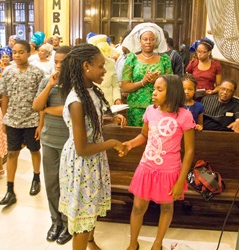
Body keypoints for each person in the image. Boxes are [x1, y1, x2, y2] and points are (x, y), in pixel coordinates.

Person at [58, 44, 126, 250]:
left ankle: (90, 241)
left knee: (91, 207)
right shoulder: (77, 101)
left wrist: (109, 121)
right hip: (81, 163)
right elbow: (82, 148)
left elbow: (90, 124)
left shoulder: (90, 91)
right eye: (100, 66)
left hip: (92, 159)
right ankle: (83, 241)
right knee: (82, 218)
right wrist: (112, 143)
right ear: (86, 66)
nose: (104, 70)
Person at [122, 74, 195, 250]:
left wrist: (180, 182)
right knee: (138, 206)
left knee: (167, 207)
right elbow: (144, 135)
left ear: (172, 93)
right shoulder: (150, 111)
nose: (153, 93)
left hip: (169, 171)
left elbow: (190, 151)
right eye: (154, 88)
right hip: (147, 167)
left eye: (159, 90)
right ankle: (133, 243)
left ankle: (158, 242)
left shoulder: (184, 116)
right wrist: (130, 144)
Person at [32, 45, 73, 245]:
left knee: (67, 183)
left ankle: (67, 223)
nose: (58, 66)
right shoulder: (46, 81)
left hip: (70, 141)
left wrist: (48, 110)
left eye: (62, 62)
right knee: (51, 183)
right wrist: (49, 86)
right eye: (56, 62)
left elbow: (71, 111)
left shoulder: (77, 84)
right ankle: (55, 221)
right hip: (49, 140)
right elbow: (37, 106)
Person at [0, 40, 45, 206]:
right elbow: (5, 97)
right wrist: (4, 119)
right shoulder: (8, 72)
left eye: (20, 52)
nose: (16, 55)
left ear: (28, 53)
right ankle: (10, 190)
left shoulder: (37, 73)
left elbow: (42, 101)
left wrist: (40, 123)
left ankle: (36, 178)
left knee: (34, 150)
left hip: (32, 120)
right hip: (13, 119)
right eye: (14, 52)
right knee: (11, 153)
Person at [120, 22, 173, 126]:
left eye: (151, 39)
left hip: (159, 107)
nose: (148, 42)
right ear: (140, 41)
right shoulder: (132, 59)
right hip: (136, 109)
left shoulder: (164, 60)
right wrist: (143, 82)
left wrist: (158, 81)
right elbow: (125, 87)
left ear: (156, 41)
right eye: (145, 39)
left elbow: (172, 84)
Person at [88, 34, 122, 105]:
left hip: (109, 104)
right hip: (93, 103)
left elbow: (115, 85)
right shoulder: (87, 65)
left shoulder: (111, 62)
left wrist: (117, 99)